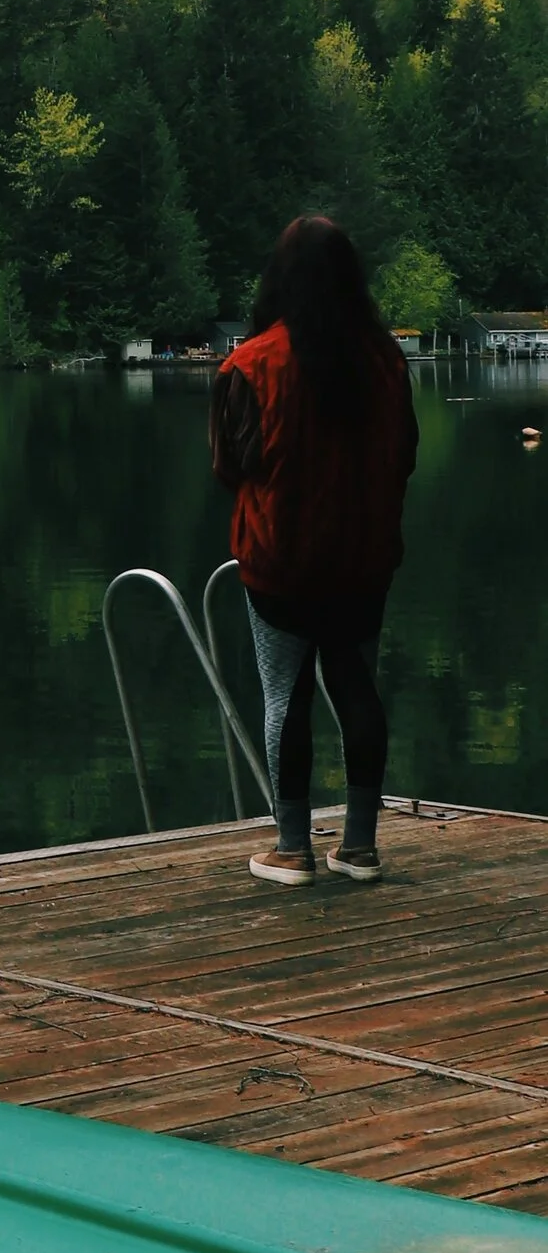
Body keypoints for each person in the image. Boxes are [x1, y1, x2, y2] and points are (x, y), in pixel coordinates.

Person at [209, 215, 417, 888]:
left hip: (281, 561)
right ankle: (359, 847)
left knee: (284, 696)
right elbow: (405, 456)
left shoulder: (250, 365)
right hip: (364, 561)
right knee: (357, 686)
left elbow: (228, 466)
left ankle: (293, 848)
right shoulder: (386, 361)